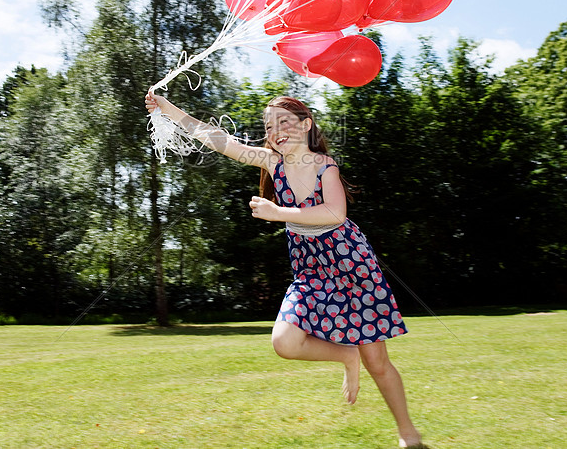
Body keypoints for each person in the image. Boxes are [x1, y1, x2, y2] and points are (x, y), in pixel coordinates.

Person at [144, 91, 425, 448]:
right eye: (269, 125)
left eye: (285, 122)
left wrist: (279, 213)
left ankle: (408, 434)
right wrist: (166, 109)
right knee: (285, 341)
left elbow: (335, 213)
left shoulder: (325, 165)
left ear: (306, 126)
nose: (275, 130)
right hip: (310, 270)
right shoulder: (271, 163)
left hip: (351, 267)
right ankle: (345, 353)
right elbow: (216, 138)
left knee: (378, 362)